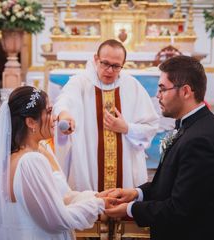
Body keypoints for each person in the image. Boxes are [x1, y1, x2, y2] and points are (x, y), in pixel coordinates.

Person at [104, 56, 214, 240]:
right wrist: (135, 194)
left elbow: (180, 209)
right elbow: (172, 183)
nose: (158, 95)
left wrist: (130, 209)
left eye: (163, 89)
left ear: (186, 91)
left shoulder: (201, 141)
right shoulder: (192, 125)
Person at [0, 86, 114, 240]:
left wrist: (95, 196)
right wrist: (99, 204)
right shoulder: (30, 162)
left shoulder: (29, 153)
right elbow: (55, 221)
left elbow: (60, 199)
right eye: (48, 112)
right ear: (31, 122)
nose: (54, 117)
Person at [53, 39, 159, 191]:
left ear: (123, 64)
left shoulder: (132, 86)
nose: (109, 70)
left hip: (125, 166)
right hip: (89, 164)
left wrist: (127, 128)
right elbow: (64, 100)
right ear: (96, 59)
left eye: (116, 66)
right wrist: (64, 114)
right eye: (105, 63)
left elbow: (151, 125)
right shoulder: (80, 82)